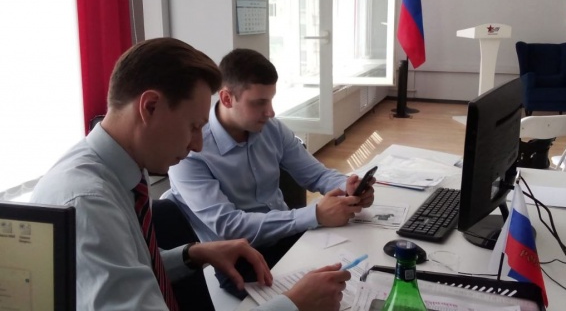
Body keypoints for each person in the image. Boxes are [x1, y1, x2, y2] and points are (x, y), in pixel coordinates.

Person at [30, 38, 349, 311]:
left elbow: (132, 266)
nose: (198, 144)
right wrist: (292, 306)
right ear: (150, 107)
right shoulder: (89, 203)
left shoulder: (119, 171)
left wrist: (192, 254)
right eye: (193, 127)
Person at [167, 48, 375, 297]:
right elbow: (229, 227)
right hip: (239, 256)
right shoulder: (189, 150)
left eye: (271, 100)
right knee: (321, 298)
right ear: (227, 98)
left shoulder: (272, 129)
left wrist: (349, 185)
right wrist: (315, 214)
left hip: (287, 234)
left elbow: (316, 175)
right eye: (259, 103)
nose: (271, 112)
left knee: (358, 275)